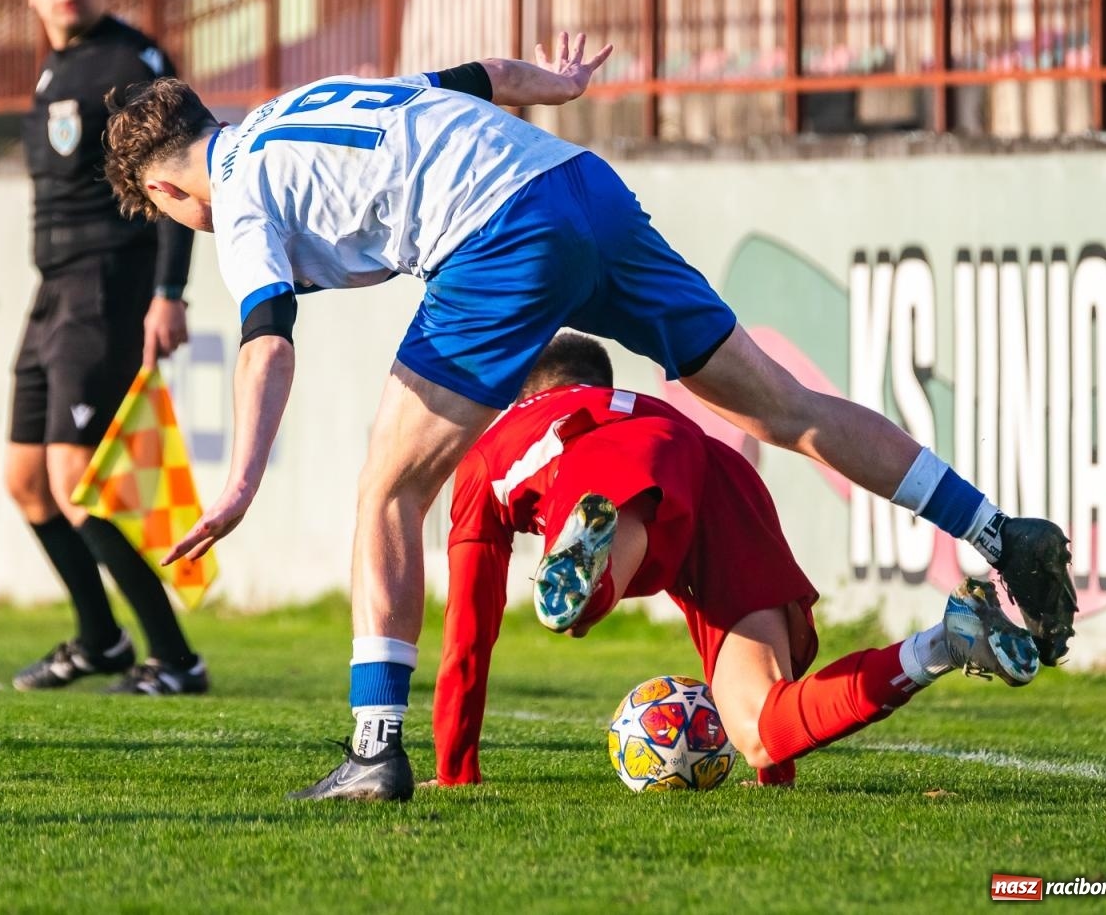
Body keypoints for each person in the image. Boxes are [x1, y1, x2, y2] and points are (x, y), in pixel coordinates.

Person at [100, 34, 1075, 798]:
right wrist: (555, 85)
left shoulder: (233, 196)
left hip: (497, 236)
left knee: (386, 492)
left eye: (166, 210)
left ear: (165, 185)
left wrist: (239, 482)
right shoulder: (307, 100)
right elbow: (473, 75)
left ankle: (373, 748)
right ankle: (996, 528)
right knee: (780, 404)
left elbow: (267, 333)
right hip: (582, 186)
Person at [430, 333, 1039, 791]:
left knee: (593, 582)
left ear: (520, 393)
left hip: (591, 461)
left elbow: (468, 630)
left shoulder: (493, 444)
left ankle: (590, 572)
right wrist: (776, 773)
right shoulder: (635, 400)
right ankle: (948, 643)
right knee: (759, 731)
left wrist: (457, 768)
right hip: (716, 473)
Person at [5, 0, 207, 696]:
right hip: (52, 291)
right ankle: (100, 640)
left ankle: (176, 658)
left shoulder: (128, 62)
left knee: (75, 481)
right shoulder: (58, 67)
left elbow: (182, 175)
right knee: (25, 481)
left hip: (105, 288)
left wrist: (168, 291)